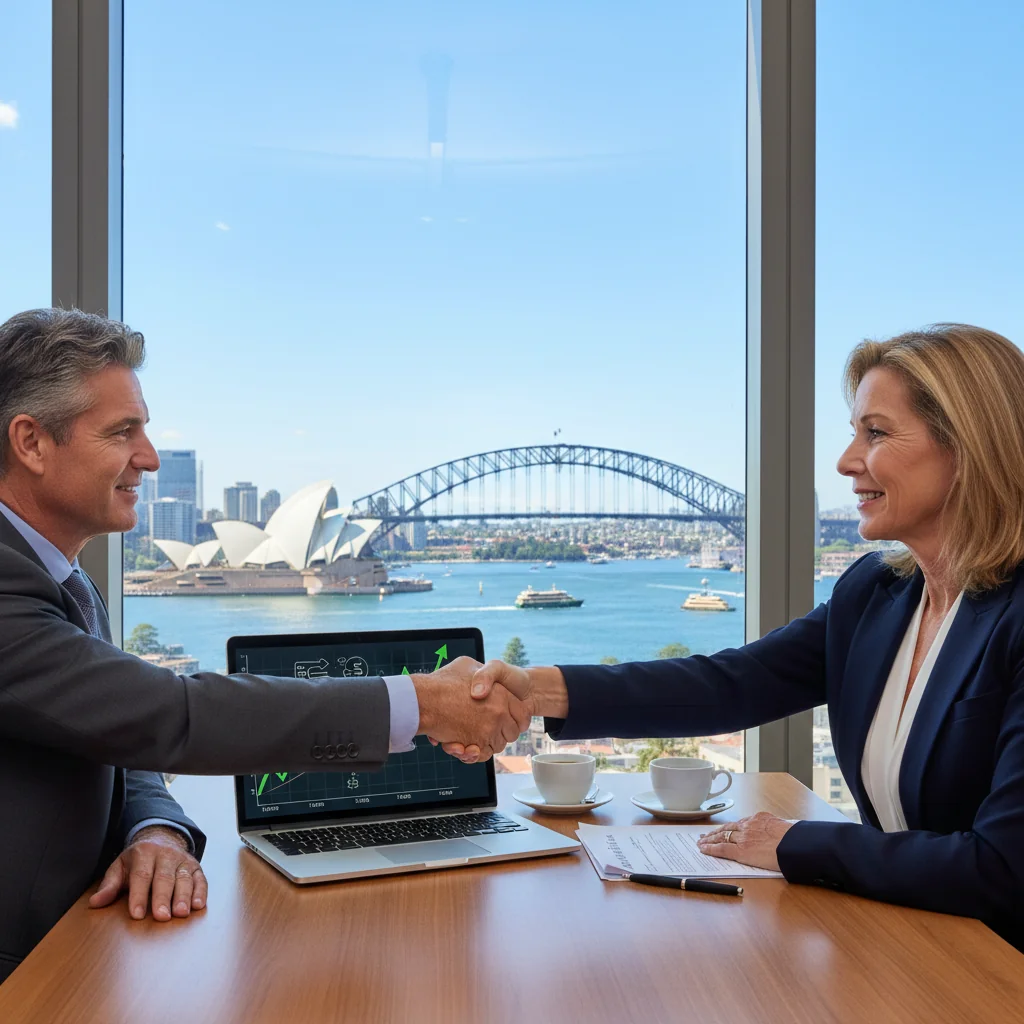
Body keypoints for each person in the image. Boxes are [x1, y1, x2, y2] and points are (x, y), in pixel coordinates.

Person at [0, 307, 529, 983]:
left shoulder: (61, 576)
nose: (150, 457)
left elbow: (114, 734)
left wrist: (154, 831)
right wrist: (422, 703)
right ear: (32, 442)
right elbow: (170, 717)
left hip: (85, 948)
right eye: (121, 431)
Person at [457, 323, 1024, 951]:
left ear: (968, 446)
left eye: (877, 432)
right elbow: (733, 684)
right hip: (913, 942)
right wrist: (534, 690)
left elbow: (1003, 870)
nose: (845, 461)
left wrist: (792, 842)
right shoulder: (877, 594)